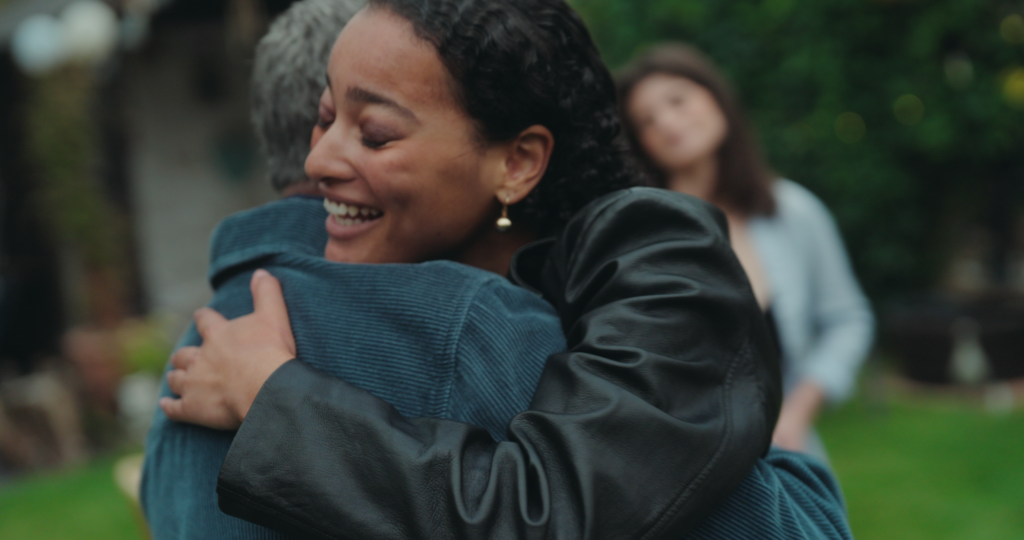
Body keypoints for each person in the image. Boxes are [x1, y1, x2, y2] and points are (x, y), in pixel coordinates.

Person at [150, 1, 848, 539]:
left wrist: (273, 395)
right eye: (326, 118)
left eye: (375, 133)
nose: (319, 162)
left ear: (515, 164)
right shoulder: (421, 289)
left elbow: (549, 508)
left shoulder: (661, 259)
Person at [617, 43, 875, 461]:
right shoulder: (639, 231)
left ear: (715, 96)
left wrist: (799, 411)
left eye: (677, 100)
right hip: (677, 465)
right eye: (646, 120)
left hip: (787, 454)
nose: (666, 121)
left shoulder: (794, 212)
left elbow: (848, 319)